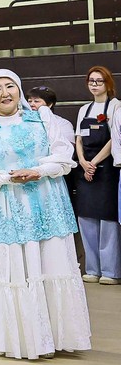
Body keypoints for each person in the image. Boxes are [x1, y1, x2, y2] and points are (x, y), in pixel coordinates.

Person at [0, 69, 90, 359]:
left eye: (10, 86)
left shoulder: (43, 118)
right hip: (9, 209)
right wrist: (10, 177)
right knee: (17, 273)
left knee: (52, 265)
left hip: (48, 203)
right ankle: (25, 340)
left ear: (20, 90)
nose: (5, 92)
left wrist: (37, 171)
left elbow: (63, 157)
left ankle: (55, 338)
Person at [72, 67, 121, 285]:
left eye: (99, 81)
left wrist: (94, 162)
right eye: (91, 81)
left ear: (108, 84)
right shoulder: (84, 109)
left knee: (107, 220)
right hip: (85, 170)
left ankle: (110, 272)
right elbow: (78, 139)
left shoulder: (116, 107)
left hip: (107, 168)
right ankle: (92, 269)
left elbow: (115, 140)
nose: (94, 85)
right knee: (86, 218)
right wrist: (83, 161)